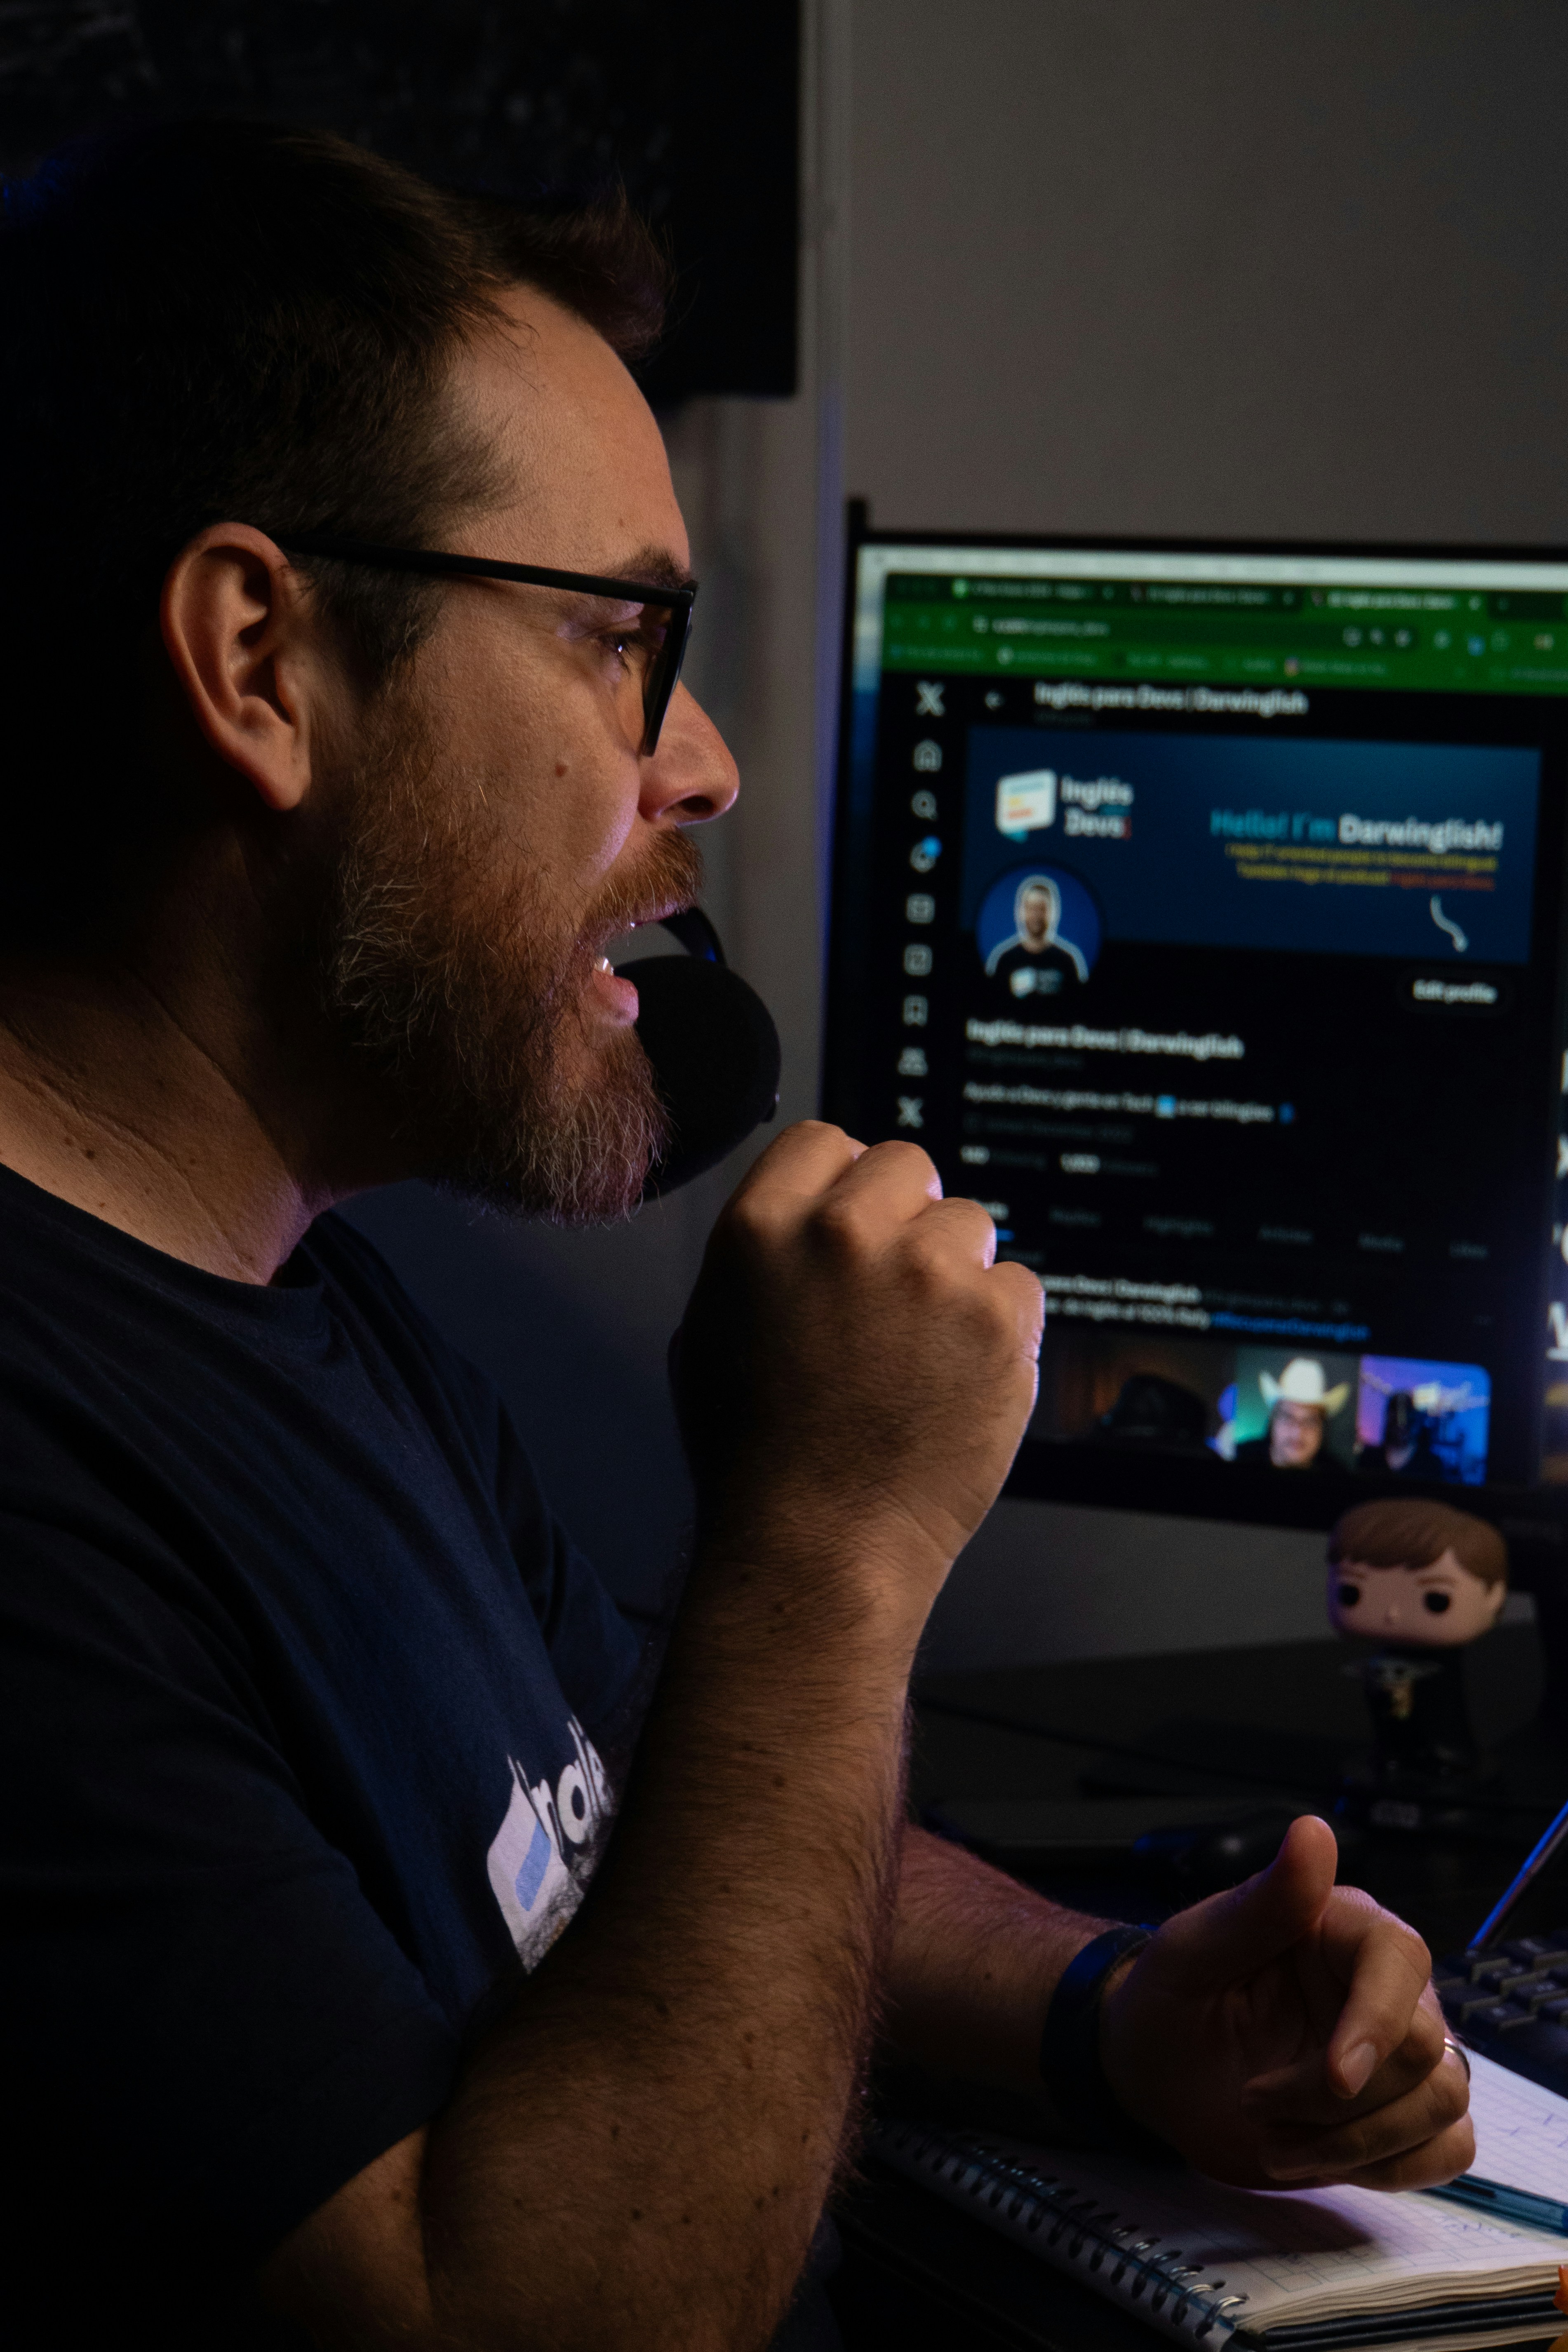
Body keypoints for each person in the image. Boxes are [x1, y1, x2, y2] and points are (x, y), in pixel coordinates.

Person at [0, 121, 1471, 2352]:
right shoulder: (38, 1482)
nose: (699, 764)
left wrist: (1107, 2008)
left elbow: (672, 1835)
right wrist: (831, 1541)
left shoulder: (302, 1293)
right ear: (259, 660)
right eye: (616, 635)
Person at [1235, 1356, 1350, 1469]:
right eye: (1288, 1417)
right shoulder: (1239, 1456)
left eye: (1310, 1422)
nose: (1298, 1432)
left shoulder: (1338, 1472)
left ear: (1322, 1430)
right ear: (1273, 1422)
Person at [984, 873, 1089, 996]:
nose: (1036, 915)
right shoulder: (1005, 960)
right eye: (1031, 908)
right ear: (1021, 913)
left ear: (1053, 914)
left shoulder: (1067, 960)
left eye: (1042, 908)